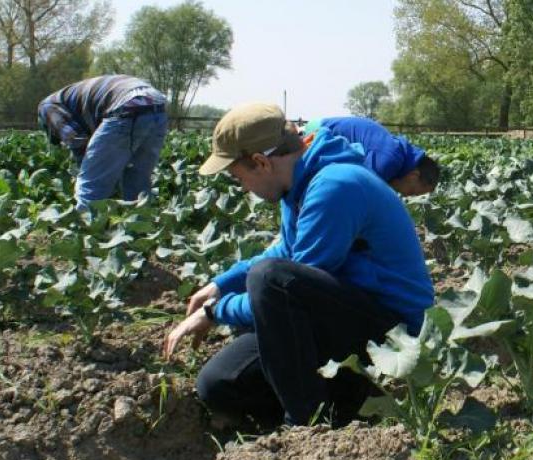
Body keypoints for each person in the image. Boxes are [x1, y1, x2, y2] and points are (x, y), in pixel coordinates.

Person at [162, 103, 434, 426]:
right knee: (218, 384)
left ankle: (306, 424)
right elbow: (282, 251)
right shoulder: (295, 183)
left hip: (393, 333)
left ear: (261, 163)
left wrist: (214, 312)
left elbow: (282, 289)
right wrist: (220, 285)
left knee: (269, 281)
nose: (242, 188)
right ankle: (345, 407)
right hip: (344, 318)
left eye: (239, 178)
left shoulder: (335, 185)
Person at [37, 75, 168, 210]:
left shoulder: (46, 107)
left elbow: (77, 140)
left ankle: (86, 227)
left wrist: (83, 168)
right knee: (137, 181)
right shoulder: (72, 98)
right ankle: (140, 226)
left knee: (90, 186)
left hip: (126, 106)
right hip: (157, 106)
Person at [302, 116, 440, 196]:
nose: (407, 196)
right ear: (414, 175)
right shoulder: (388, 161)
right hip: (317, 133)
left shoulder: (400, 158)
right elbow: (359, 193)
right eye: (412, 192)